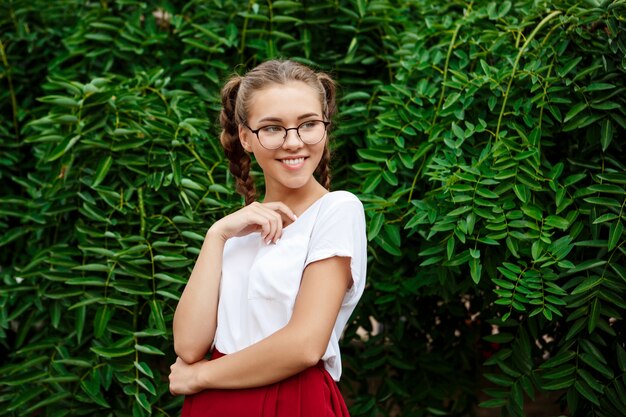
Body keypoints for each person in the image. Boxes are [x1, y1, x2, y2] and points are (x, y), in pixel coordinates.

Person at [168, 59, 367, 417]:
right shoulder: (238, 229)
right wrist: (216, 236)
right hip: (213, 404)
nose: (293, 142)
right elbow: (188, 344)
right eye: (273, 128)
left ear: (324, 127)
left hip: (292, 400)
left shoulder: (337, 210)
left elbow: (305, 345)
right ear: (245, 137)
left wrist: (199, 378)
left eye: (308, 124)